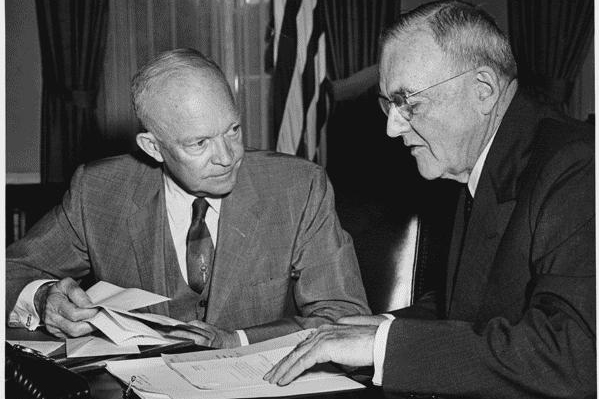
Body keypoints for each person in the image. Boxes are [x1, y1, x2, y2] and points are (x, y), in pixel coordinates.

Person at [265, 1, 595, 397]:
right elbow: (473, 307)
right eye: (389, 103)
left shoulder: (577, 168)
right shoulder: (484, 160)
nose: (392, 128)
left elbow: (578, 355)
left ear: (483, 90)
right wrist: (381, 327)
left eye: (409, 102)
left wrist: (383, 347)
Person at [6, 48, 370, 348]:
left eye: (233, 130)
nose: (227, 157)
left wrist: (240, 339)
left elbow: (343, 315)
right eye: (199, 143)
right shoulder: (99, 191)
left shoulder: (298, 188)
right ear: (153, 147)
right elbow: (11, 271)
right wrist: (43, 299)